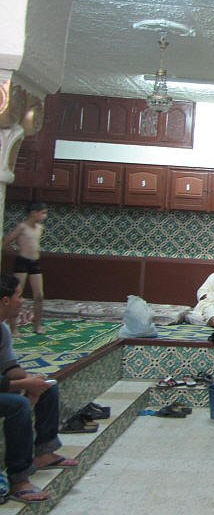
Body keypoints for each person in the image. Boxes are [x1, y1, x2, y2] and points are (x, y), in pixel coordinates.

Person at [0, 274, 78, 504]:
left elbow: (9, 367)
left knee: (47, 388)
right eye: (18, 296)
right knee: (18, 405)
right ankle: (18, 479)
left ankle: (44, 452)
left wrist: (30, 379)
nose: (22, 301)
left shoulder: (2, 330)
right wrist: (24, 385)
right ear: (5, 300)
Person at [2, 201, 48, 336]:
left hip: (35, 262)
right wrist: (17, 254)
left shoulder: (40, 228)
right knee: (17, 295)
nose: (44, 216)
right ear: (33, 213)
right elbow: (6, 243)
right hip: (22, 262)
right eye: (42, 213)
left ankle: (37, 325)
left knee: (39, 295)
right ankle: (13, 328)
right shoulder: (22, 227)